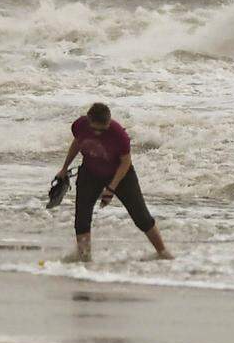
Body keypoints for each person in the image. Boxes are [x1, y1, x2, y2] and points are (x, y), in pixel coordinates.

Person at [56, 102, 172, 262]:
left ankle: (163, 253)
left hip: (122, 175)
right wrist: (64, 168)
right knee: (82, 217)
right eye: (94, 129)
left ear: (109, 122)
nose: (98, 132)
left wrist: (110, 189)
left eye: (102, 129)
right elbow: (77, 143)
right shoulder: (79, 125)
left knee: (141, 216)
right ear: (88, 121)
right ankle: (85, 258)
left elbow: (125, 162)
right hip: (90, 172)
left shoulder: (119, 134)